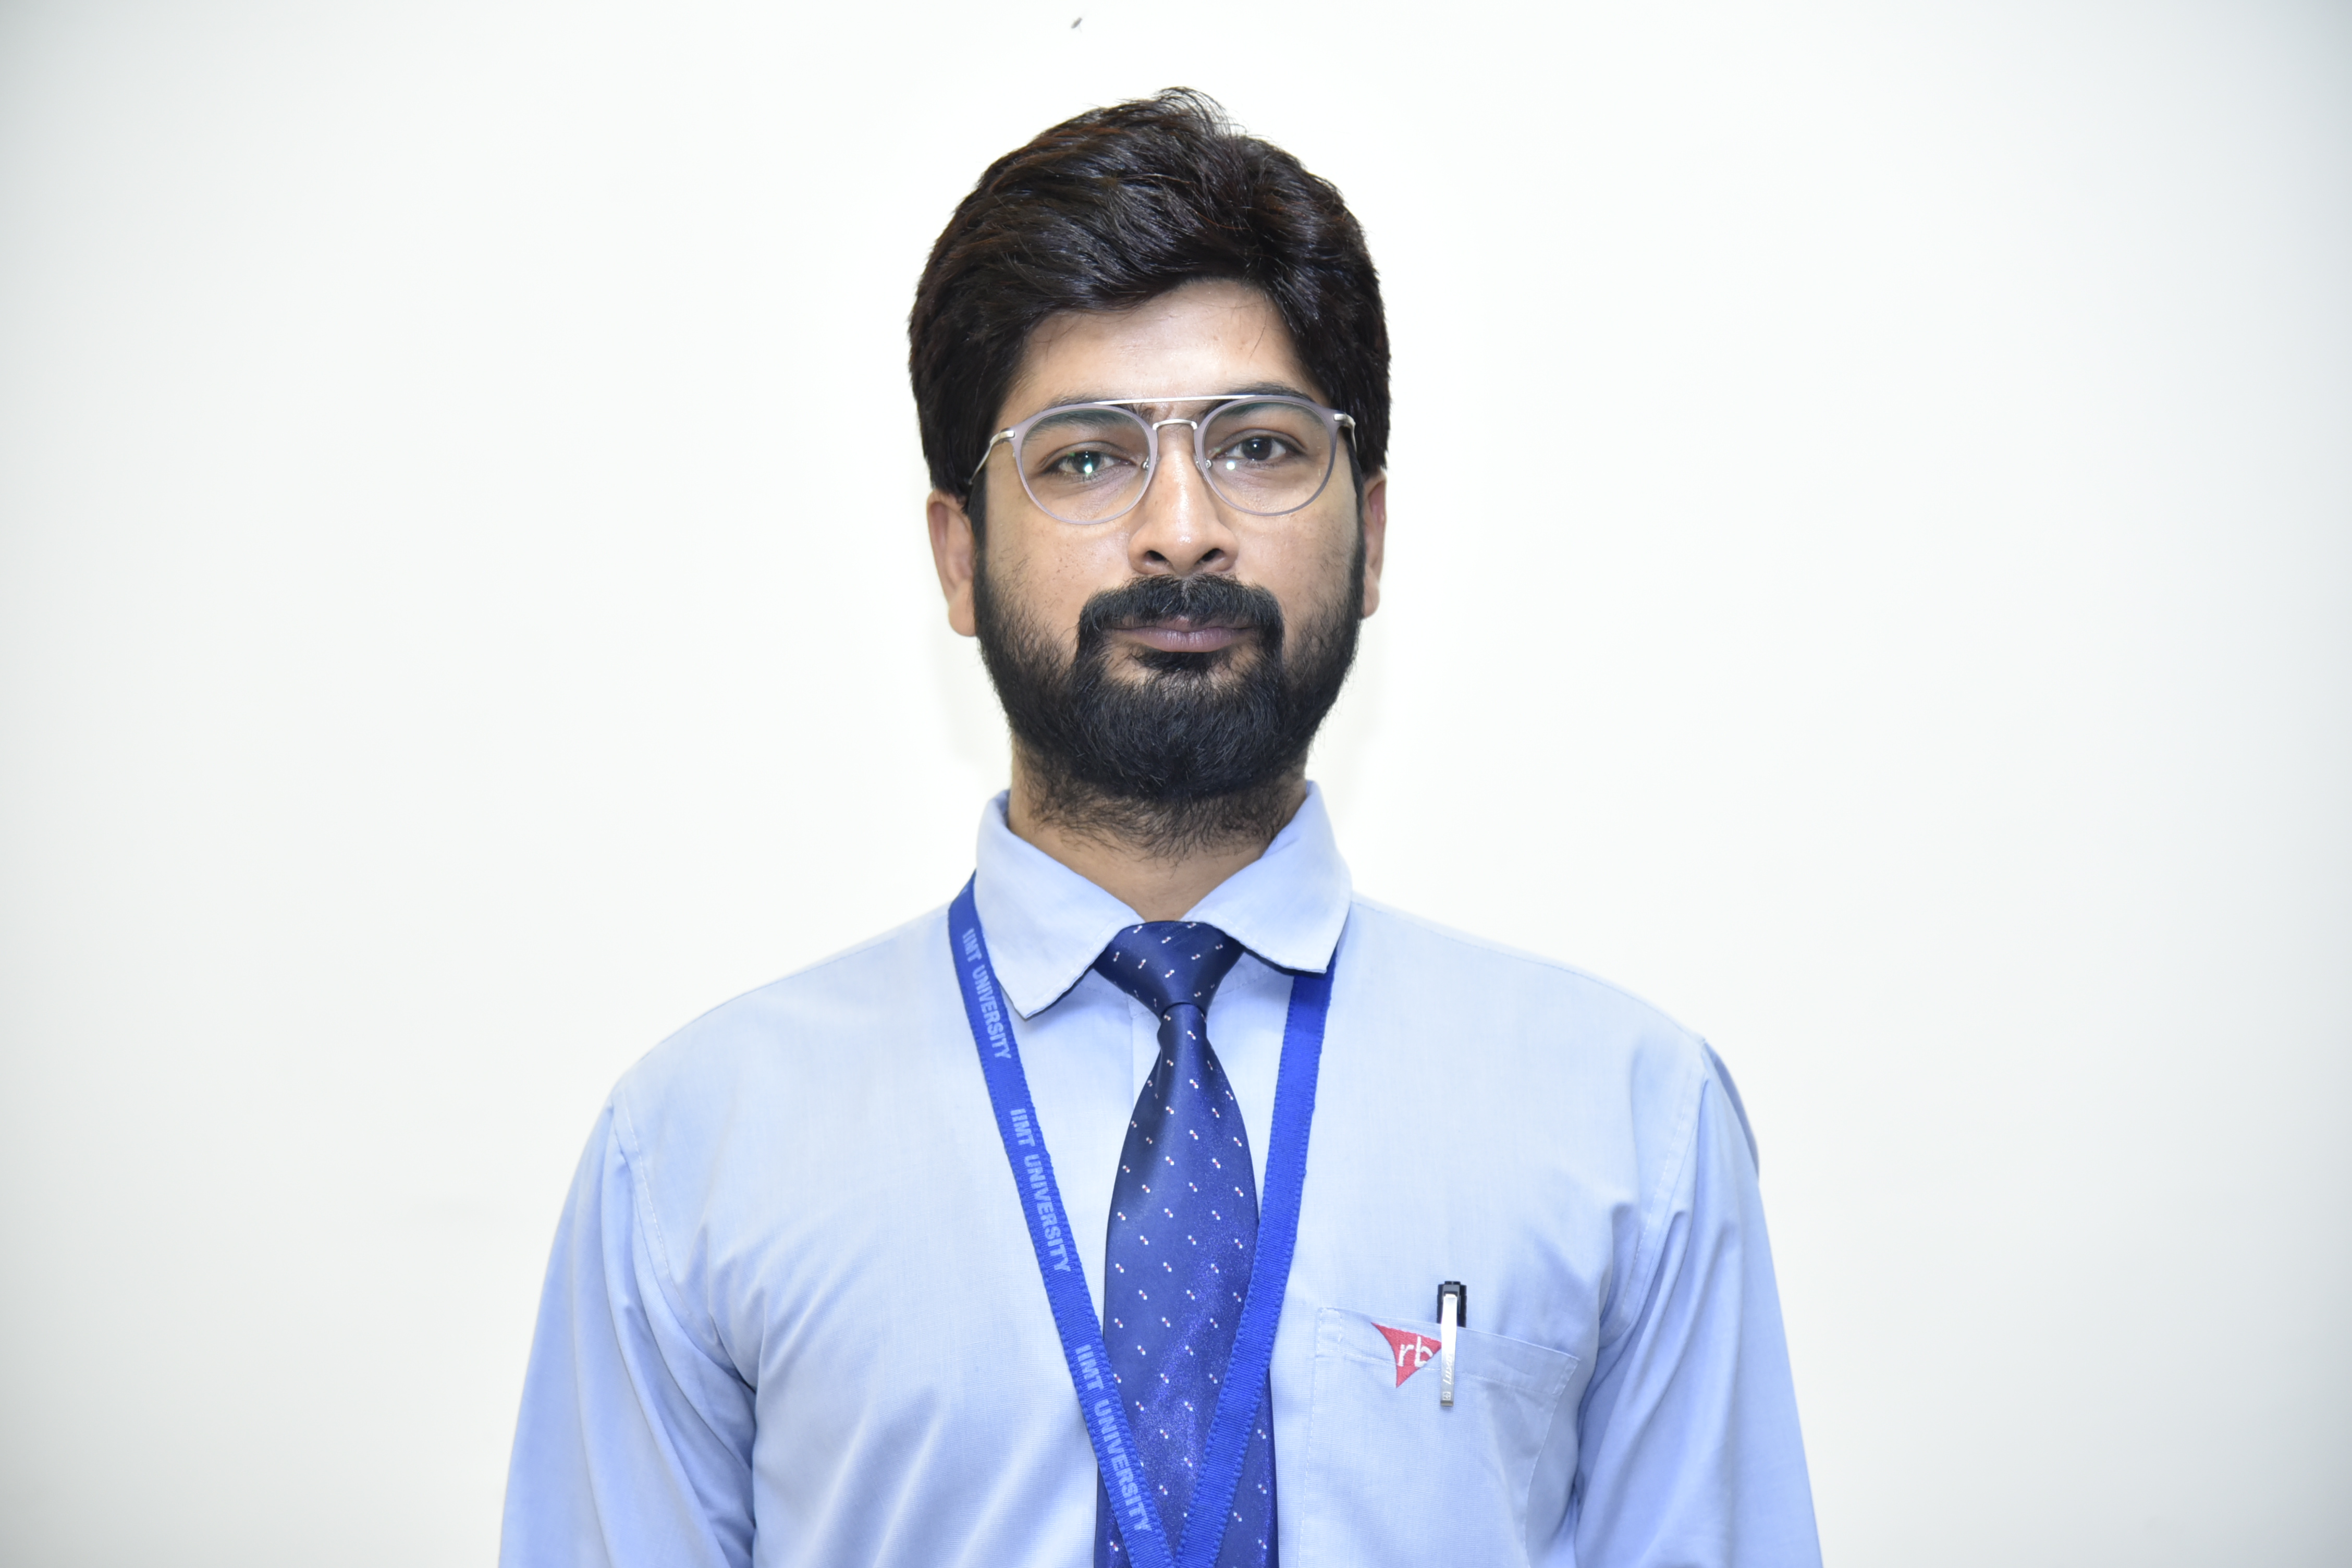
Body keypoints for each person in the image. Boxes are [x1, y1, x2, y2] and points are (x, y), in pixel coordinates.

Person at [500, 89, 1821, 1568]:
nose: (1182, 527)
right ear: (958, 555)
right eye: (1084, 456)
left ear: (1372, 536)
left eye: (1259, 447)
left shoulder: (1628, 1121)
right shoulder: (699, 1147)